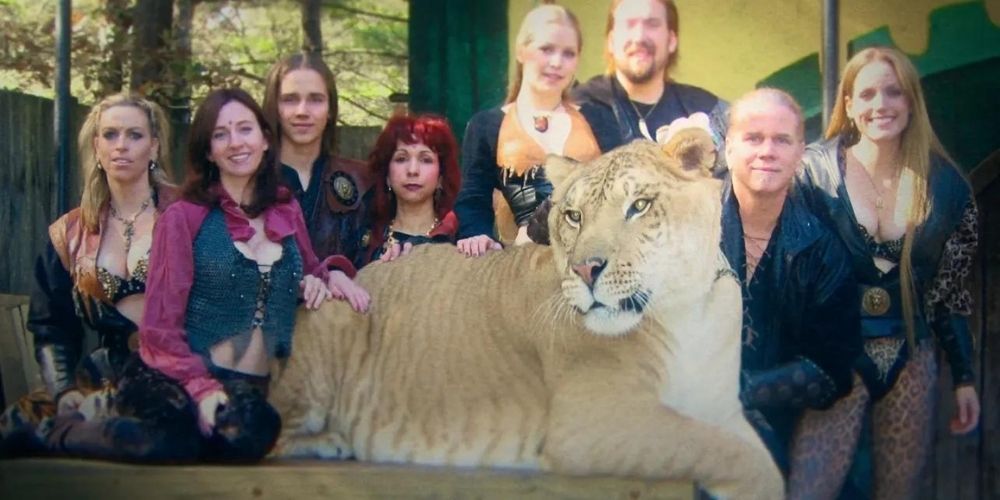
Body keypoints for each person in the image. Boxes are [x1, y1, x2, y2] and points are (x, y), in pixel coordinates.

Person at [790, 47, 980, 499]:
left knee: (900, 492)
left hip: (910, 357)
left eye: (893, 92)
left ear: (911, 101)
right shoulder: (811, 174)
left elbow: (947, 294)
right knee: (807, 489)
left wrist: (965, 377)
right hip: (835, 354)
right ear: (850, 106)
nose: (881, 105)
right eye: (868, 93)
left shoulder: (948, 187)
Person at [138, 88, 361, 461]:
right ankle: (55, 432)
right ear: (208, 151)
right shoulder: (183, 217)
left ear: (264, 140)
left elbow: (309, 271)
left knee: (248, 438)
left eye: (245, 129)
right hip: (189, 375)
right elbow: (159, 329)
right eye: (220, 134)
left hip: (257, 387)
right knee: (170, 442)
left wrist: (331, 276)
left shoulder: (285, 209)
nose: (235, 143)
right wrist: (202, 388)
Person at [0, 93, 193, 460]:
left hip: (172, 375)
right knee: (10, 430)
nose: (121, 145)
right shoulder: (69, 233)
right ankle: (67, 429)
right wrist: (63, 390)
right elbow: (51, 326)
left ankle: (62, 436)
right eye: (110, 135)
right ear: (96, 146)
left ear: (154, 147)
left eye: (134, 135)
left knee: (160, 440)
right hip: (99, 378)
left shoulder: (188, 217)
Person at [715, 88, 861, 475]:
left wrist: (741, 393)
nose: (767, 151)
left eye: (782, 140)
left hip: (778, 429)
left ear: (800, 152)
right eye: (753, 138)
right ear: (728, 148)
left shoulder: (822, 251)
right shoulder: (685, 228)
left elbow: (832, 370)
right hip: (676, 421)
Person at [453, 3, 622, 256]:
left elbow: (623, 190)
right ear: (522, 51)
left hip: (596, 257)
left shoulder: (599, 119)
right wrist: (476, 234)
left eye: (568, 53)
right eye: (546, 49)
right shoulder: (486, 125)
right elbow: (473, 198)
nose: (557, 62)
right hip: (527, 261)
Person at [263, 52, 372, 309]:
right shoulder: (250, 183)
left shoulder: (364, 181)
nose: (302, 111)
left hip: (345, 332)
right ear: (274, 109)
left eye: (315, 100)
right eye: (290, 100)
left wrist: (338, 270)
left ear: (331, 109)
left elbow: (378, 258)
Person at [574, 0, 727, 170]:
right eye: (629, 24)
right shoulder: (578, 108)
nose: (639, 37)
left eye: (652, 24)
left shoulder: (708, 110)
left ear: (671, 40)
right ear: (611, 41)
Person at [361, 114, 461, 265]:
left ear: (441, 176)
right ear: (386, 174)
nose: (412, 170)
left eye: (425, 160)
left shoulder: (460, 237)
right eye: (401, 159)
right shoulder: (363, 236)